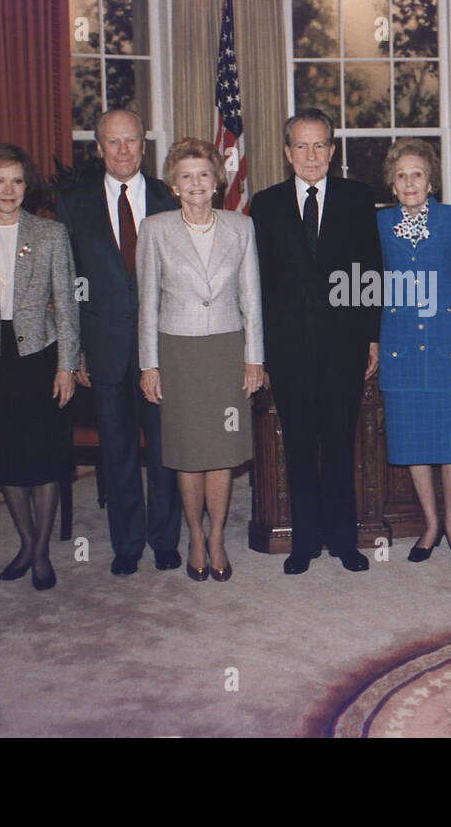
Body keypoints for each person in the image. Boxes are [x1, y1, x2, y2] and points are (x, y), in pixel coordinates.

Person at [250, 108, 382, 575]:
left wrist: (371, 337)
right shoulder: (263, 205)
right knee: (300, 446)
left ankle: (345, 541)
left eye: (320, 145)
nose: (311, 155)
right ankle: (304, 543)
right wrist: (258, 352)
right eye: (301, 146)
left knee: (341, 444)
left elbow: (370, 271)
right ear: (287, 153)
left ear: (332, 150)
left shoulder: (357, 198)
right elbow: (257, 286)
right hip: (288, 352)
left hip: (344, 348)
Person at [56, 109, 183, 576]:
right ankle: (127, 543)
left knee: (166, 447)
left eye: (131, 141)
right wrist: (77, 353)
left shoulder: (171, 197)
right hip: (104, 346)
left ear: (144, 146)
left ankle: (166, 539)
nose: (123, 151)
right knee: (118, 447)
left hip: (163, 347)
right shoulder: (74, 204)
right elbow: (68, 285)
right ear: (98, 148)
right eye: (114, 142)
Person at [0, 145, 79, 590]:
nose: (9, 190)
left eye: (17, 180)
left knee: (43, 458)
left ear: (28, 186)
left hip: (40, 356)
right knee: (6, 458)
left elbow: (66, 305)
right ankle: (25, 542)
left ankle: (42, 551)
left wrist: (66, 366)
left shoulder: (51, 234)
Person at [137, 138, 264, 582]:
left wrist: (254, 359)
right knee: (188, 452)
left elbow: (252, 298)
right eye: (186, 175)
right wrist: (148, 365)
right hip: (178, 351)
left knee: (222, 452)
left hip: (228, 350)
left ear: (217, 181)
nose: (196, 183)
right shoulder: (155, 229)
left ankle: (217, 539)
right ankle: (193, 534)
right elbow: (147, 302)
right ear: (174, 184)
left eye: (204, 174)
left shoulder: (240, 227)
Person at [375, 139, 451, 565]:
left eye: (417, 174)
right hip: (401, 348)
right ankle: (430, 524)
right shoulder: (378, 225)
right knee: (414, 440)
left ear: (431, 179)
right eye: (401, 175)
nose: (410, 182)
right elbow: (375, 287)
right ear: (392, 184)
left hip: (447, 345)